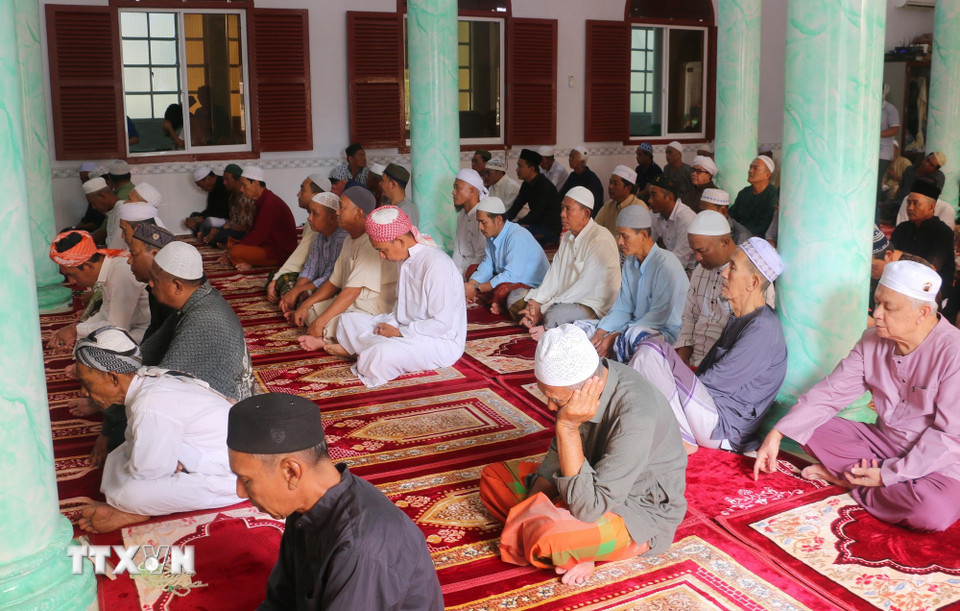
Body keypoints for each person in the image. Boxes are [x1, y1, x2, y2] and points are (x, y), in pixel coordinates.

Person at [755, 260, 960, 532]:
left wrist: (887, 475)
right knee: (808, 426)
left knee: (930, 511)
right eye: (877, 303)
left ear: (922, 312)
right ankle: (869, 480)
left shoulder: (953, 353)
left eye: (889, 307)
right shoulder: (872, 340)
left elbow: (949, 436)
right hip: (884, 444)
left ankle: (854, 480)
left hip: (939, 464)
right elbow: (830, 393)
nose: (877, 314)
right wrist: (777, 434)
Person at [479, 325, 686, 586]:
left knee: (550, 536)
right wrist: (533, 504)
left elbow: (591, 508)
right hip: (584, 482)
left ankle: (578, 545)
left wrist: (566, 427)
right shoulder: (590, 377)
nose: (550, 407)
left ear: (589, 386)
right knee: (495, 477)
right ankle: (566, 537)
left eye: (556, 399)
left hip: (633, 509)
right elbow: (556, 458)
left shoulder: (636, 415)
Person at [226, 392, 443, 610]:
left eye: (246, 480)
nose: (240, 492)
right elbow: (281, 602)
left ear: (291, 471)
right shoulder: (304, 505)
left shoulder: (361, 548)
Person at [74, 327, 241, 534]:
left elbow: (148, 471)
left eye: (86, 384)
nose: (83, 392)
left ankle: (134, 510)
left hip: (235, 474)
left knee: (131, 493)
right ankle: (142, 499)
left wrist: (167, 463)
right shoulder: (148, 380)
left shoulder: (148, 404)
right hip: (209, 448)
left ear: (113, 378)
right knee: (117, 455)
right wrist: (170, 461)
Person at [633, 237, 787, 454]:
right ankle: (667, 429)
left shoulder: (763, 329)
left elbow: (712, 385)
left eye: (733, 267)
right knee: (649, 357)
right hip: (710, 413)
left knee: (653, 350)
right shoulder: (742, 318)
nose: (724, 273)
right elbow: (707, 373)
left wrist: (671, 380)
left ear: (752, 283)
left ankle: (678, 435)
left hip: (722, 428)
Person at [334, 206, 466, 388]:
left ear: (400, 241)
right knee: (347, 321)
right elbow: (401, 307)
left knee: (381, 354)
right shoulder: (403, 259)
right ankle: (366, 350)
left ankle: (364, 350)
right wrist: (391, 324)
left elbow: (441, 324)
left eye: (383, 250)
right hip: (406, 329)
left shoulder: (436, 264)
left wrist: (398, 332)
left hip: (439, 341)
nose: (381, 256)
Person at [142, 241, 255, 401]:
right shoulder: (199, 298)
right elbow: (152, 350)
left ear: (177, 287)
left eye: (155, 279)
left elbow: (165, 384)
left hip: (229, 411)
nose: (150, 284)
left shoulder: (203, 320)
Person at [575, 206, 688, 363]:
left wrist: (615, 335)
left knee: (629, 338)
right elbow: (623, 306)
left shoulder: (667, 264)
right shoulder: (630, 262)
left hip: (664, 332)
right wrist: (601, 332)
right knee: (581, 328)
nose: (620, 242)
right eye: (619, 235)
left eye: (624, 236)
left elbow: (659, 318)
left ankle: (614, 367)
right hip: (633, 325)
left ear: (643, 235)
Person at [294, 187, 397, 349]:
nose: (337, 212)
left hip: (372, 306)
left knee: (341, 322)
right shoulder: (349, 240)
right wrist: (305, 305)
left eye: (342, 207)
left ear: (358, 213)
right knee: (311, 312)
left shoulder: (370, 242)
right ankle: (334, 337)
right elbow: (333, 282)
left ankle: (326, 341)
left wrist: (321, 323)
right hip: (354, 302)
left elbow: (352, 292)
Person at [518, 187, 620, 339]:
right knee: (516, 297)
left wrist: (544, 308)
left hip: (591, 304)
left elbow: (583, 288)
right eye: (562, 208)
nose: (562, 214)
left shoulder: (600, 239)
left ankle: (543, 324)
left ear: (585, 213)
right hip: (563, 299)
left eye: (568, 209)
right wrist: (535, 302)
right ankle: (538, 320)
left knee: (556, 314)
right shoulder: (567, 237)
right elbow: (554, 275)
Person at [673, 211, 770, 368]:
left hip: (726, 366)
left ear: (724, 242)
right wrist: (682, 358)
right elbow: (690, 316)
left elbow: (754, 335)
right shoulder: (700, 270)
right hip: (694, 361)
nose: (697, 258)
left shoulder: (752, 276)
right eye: (694, 251)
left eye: (702, 251)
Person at [46, 230, 150, 351]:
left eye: (71, 275)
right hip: (129, 328)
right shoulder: (109, 269)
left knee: (96, 350)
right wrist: (75, 331)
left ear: (88, 266)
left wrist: (75, 330)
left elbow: (116, 327)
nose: (72, 281)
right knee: (86, 346)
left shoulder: (120, 271)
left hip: (146, 332)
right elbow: (105, 313)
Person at [465, 197, 550, 317]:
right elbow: (488, 265)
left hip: (530, 286)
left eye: (483, 222)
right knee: (472, 270)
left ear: (499, 220)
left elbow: (512, 276)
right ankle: (494, 301)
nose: (480, 227)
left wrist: (478, 288)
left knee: (502, 290)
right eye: (478, 222)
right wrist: (472, 284)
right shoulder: (491, 235)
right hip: (508, 278)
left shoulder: (517, 236)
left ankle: (495, 300)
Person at [266, 174, 335, 304]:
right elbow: (310, 264)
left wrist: (278, 281)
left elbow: (301, 257)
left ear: (316, 195)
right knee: (278, 278)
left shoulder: (326, 228)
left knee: (282, 282)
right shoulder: (314, 224)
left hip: (325, 282)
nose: (298, 194)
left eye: (303, 190)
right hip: (312, 276)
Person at [224, 166, 298, 271]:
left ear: (255, 183)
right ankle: (250, 261)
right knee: (232, 244)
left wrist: (230, 252)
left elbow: (258, 236)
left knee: (235, 251)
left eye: (244, 185)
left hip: (279, 253)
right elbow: (254, 232)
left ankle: (251, 262)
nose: (241, 189)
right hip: (267, 246)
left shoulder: (270, 203)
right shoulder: (263, 200)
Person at [890, 178, 955, 295]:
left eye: (915, 203)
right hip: (900, 284)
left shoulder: (943, 233)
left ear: (931, 207)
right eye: (908, 203)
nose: (910, 208)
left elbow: (929, 268)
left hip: (929, 291)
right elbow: (889, 257)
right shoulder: (902, 228)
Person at [505, 148, 562, 244]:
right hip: (535, 225)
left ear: (531, 168)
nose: (516, 169)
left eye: (520, 166)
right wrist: (502, 221)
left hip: (549, 230)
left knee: (514, 234)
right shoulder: (526, 184)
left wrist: (515, 225)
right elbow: (516, 207)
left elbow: (536, 214)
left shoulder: (544, 186)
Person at [647, 174, 697, 273]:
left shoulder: (686, 219)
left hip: (689, 271)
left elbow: (680, 260)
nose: (649, 200)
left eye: (654, 195)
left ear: (670, 197)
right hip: (669, 265)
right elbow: (646, 244)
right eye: (649, 195)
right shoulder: (654, 214)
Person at [208, 164, 257, 248]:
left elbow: (245, 228)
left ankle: (231, 244)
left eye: (227, 179)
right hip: (235, 229)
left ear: (238, 180)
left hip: (249, 233)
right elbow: (232, 221)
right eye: (224, 179)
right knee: (212, 231)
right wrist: (217, 230)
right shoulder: (232, 196)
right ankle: (226, 243)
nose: (224, 182)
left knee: (221, 235)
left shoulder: (245, 197)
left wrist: (222, 230)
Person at [451, 168, 489, 278]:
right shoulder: (461, 216)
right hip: (462, 270)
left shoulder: (484, 216)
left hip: (478, 270)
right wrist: (453, 272)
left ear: (472, 191)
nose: (453, 192)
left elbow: (481, 255)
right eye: (454, 188)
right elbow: (458, 250)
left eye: (457, 188)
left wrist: (462, 274)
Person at [730, 155, 779, 237]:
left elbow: (766, 226)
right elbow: (732, 216)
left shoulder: (773, 195)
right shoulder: (744, 192)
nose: (750, 171)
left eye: (755, 168)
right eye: (750, 167)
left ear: (767, 175)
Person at [594, 165, 646, 238]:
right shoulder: (608, 205)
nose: (610, 187)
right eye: (610, 182)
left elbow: (628, 240)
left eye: (615, 183)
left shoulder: (639, 207)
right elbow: (594, 228)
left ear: (628, 188)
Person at [558, 145, 604, 218]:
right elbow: (562, 196)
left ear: (582, 161)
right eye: (569, 156)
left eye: (572, 157)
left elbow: (593, 206)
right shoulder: (573, 176)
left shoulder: (592, 179)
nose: (569, 159)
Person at [185, 166, 231, 236]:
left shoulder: (224, 185)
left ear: (208, 179)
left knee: (210, 221)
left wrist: (200, 219)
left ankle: (201, 232)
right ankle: (200, 231)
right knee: (193, 215)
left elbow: (221, 212)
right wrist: (196, 218)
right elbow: (210, 210)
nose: (202, 189)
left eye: (201, 186)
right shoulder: (213, 188)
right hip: (217, 217)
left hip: (228, 220)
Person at [82, 177, 123, 249]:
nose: (93, 207)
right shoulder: (112, 212)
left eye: (93, 203)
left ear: (102, 195)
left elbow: (116, 248)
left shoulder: (122, 211)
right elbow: (110, 245)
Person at [869, 225, 903, 313]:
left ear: (888, 255)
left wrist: (873, 323)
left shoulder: (910, 275)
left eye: (872, 266)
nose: (868, 273)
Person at [878, 87, 901, 202]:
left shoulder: (889, 109)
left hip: (883, 153)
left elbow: (895, 129)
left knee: (876, 182)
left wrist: (875, 135)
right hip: (869, 152)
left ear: (883, 92)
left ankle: (875, 215)